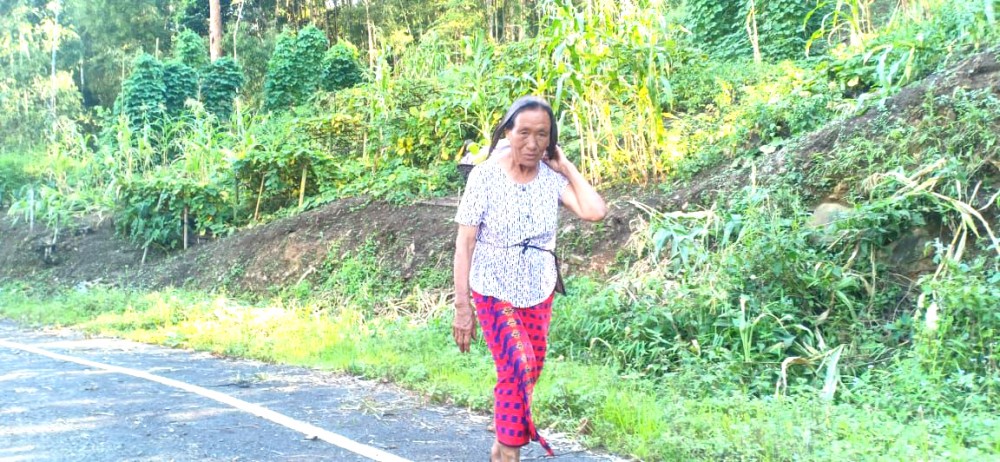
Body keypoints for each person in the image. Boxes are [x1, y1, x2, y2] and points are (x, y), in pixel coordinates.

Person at [452, 96, 607, 462]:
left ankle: (501, 446)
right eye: (524, 133)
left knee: (529, 370)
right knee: (517, 364)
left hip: (538, 289)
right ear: (508, 131)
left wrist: (565, 165)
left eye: (542, 135)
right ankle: (509, 451)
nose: (533, 143)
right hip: (492, 288)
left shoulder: (551, 179)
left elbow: (595, 210)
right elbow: (465, 243)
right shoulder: (485, 176)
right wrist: (462, 306)